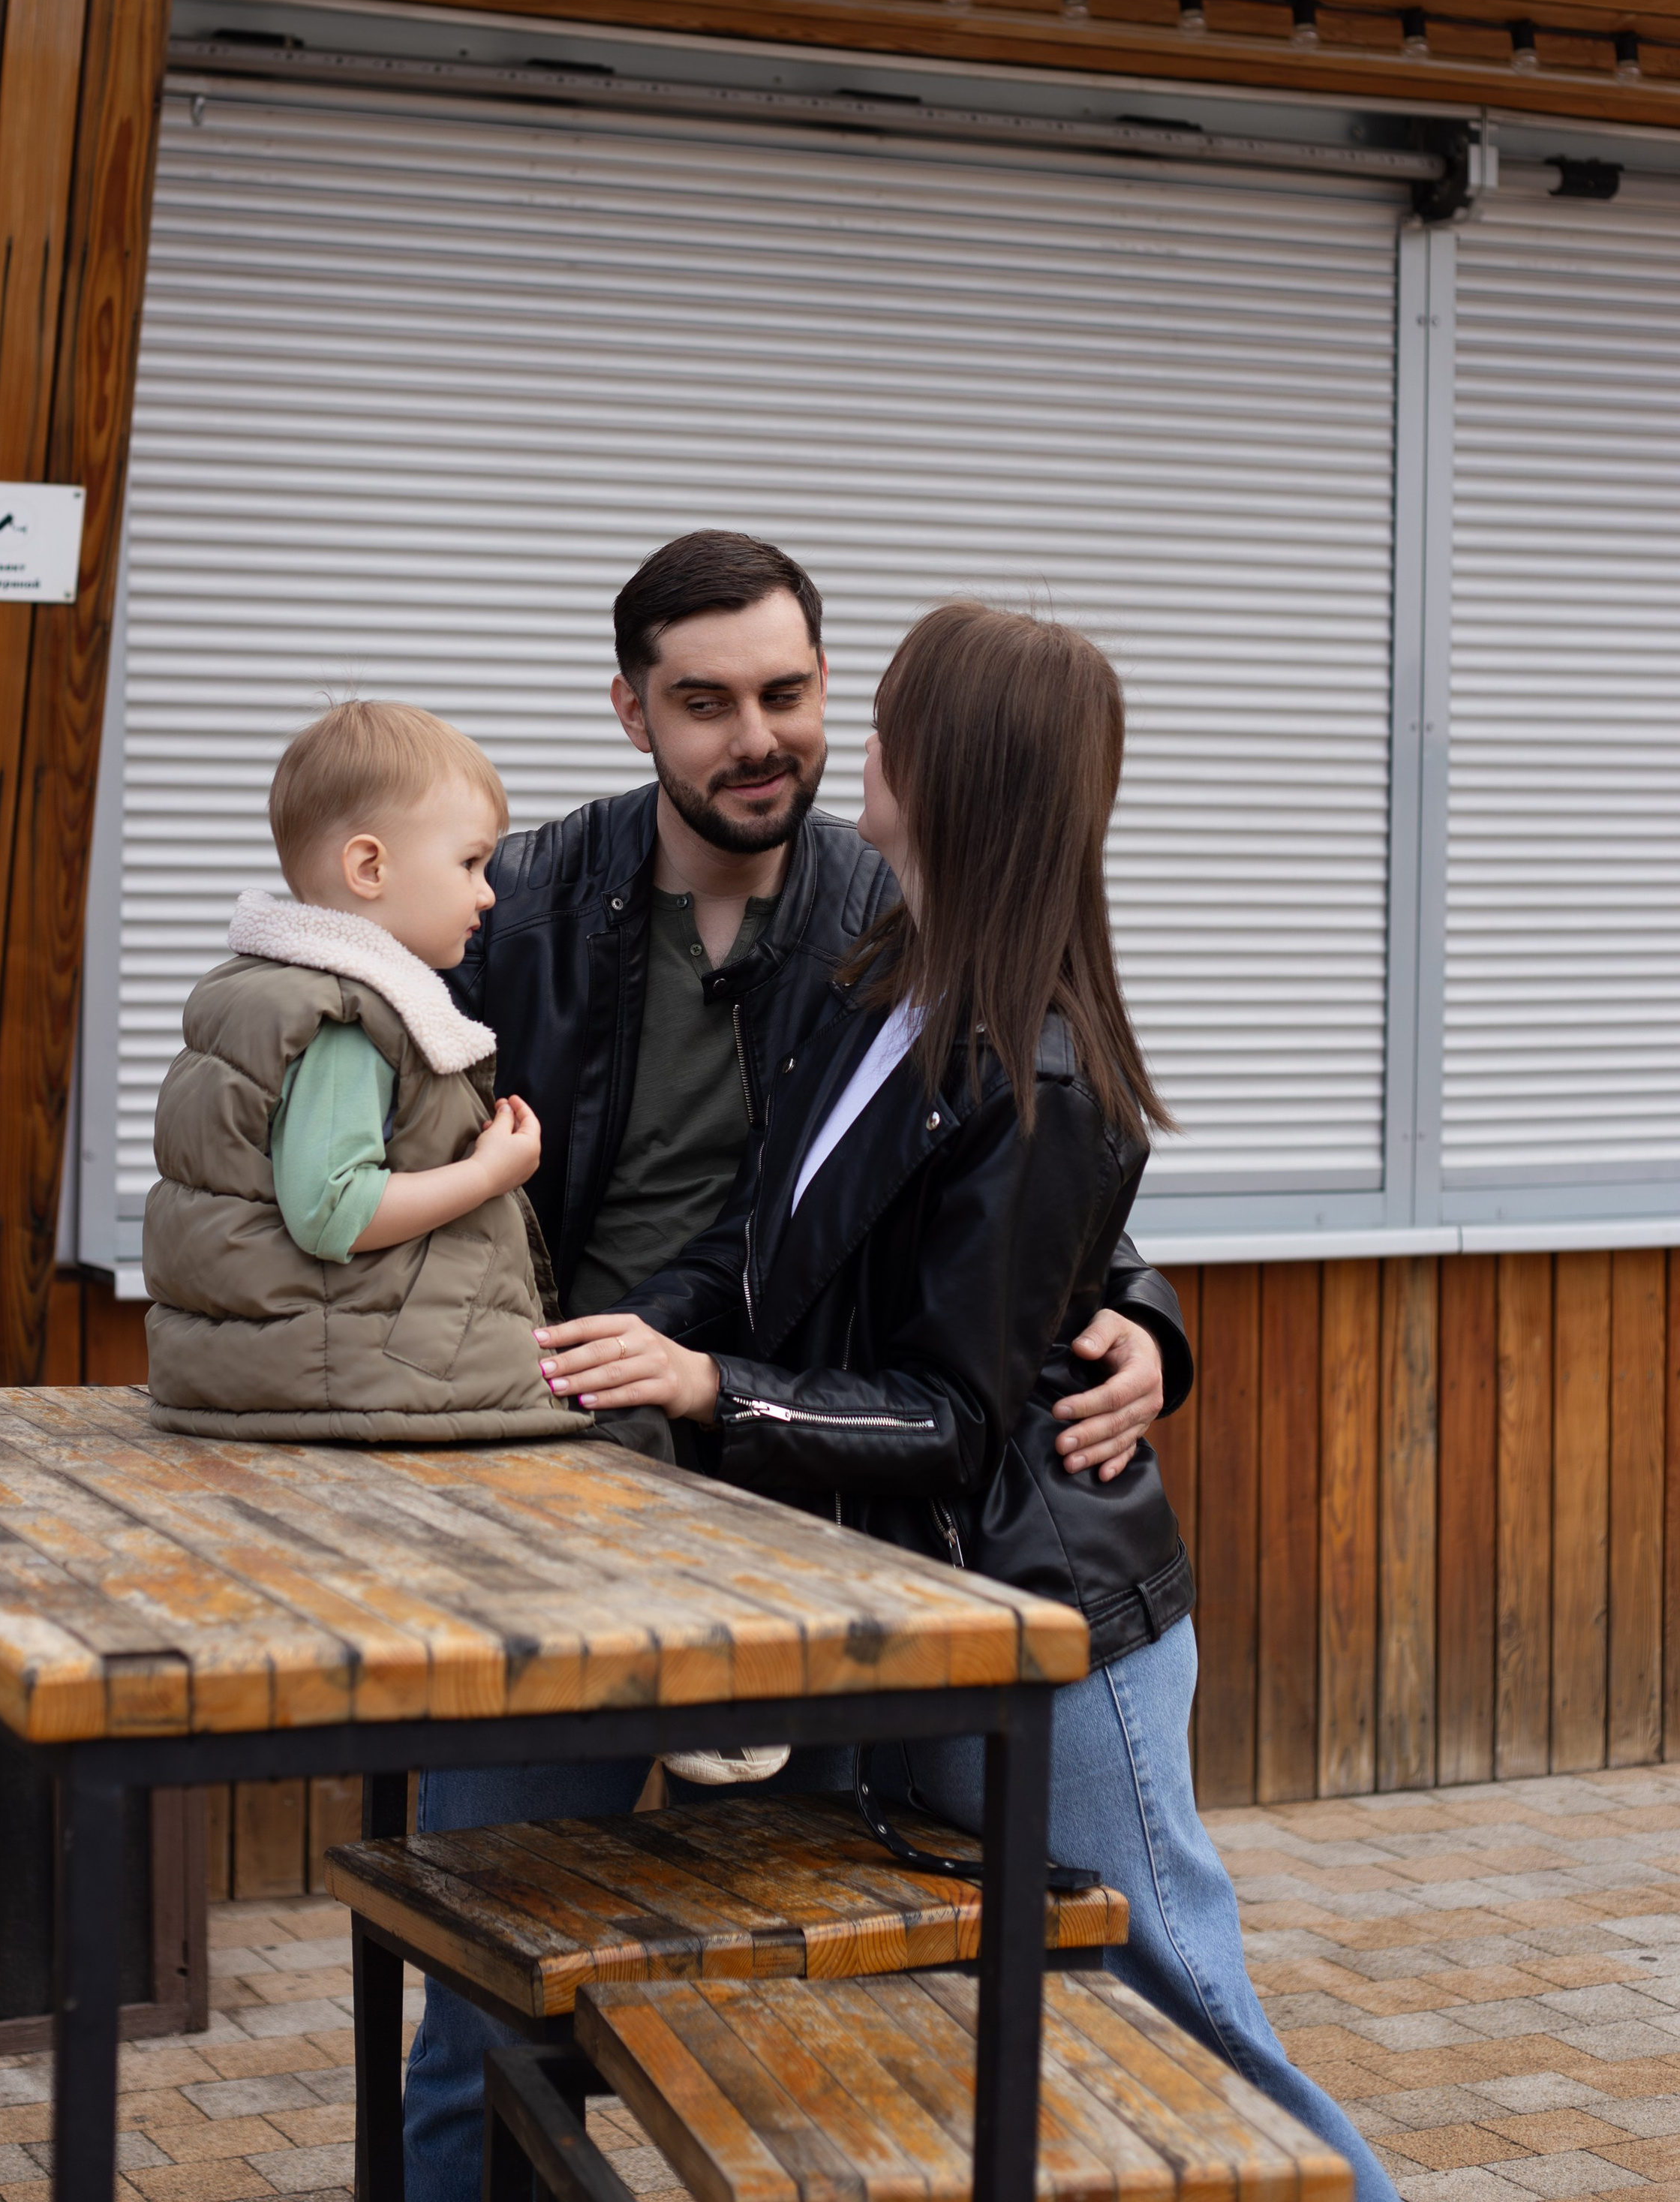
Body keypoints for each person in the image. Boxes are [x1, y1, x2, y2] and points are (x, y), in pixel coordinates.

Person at [539, 600, 1401, 2202]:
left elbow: (951, 1412)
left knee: (1182, 2013)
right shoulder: (868, 986)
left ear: (946, 769)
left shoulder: (1040, 1077)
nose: (846, 744)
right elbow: (752, 1256)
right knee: (979, 2047)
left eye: (879, 720)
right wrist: (601, 1348)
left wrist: (713, 1389)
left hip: (1052, 1639)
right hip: (914, 1622)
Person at [401, 534, 1191, 2199]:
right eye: (703, 702)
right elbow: (352, 1141)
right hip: (543, 1517)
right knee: (479, 2005)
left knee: (795, 2018)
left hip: (810, 1529)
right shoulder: (512, 902)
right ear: (630, 712)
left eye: (791, 694)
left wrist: (1150, 1317)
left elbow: (1016, 1182)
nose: (756, 736)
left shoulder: (881, 910)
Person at [142, 698, 576, 1444]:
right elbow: (332, 1212)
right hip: (357, 1391)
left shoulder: (280, 992)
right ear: (369, 867)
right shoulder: (343, 1019)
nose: (488, 893)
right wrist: (487, 1174)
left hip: (316, 1378)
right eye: (470, 862)